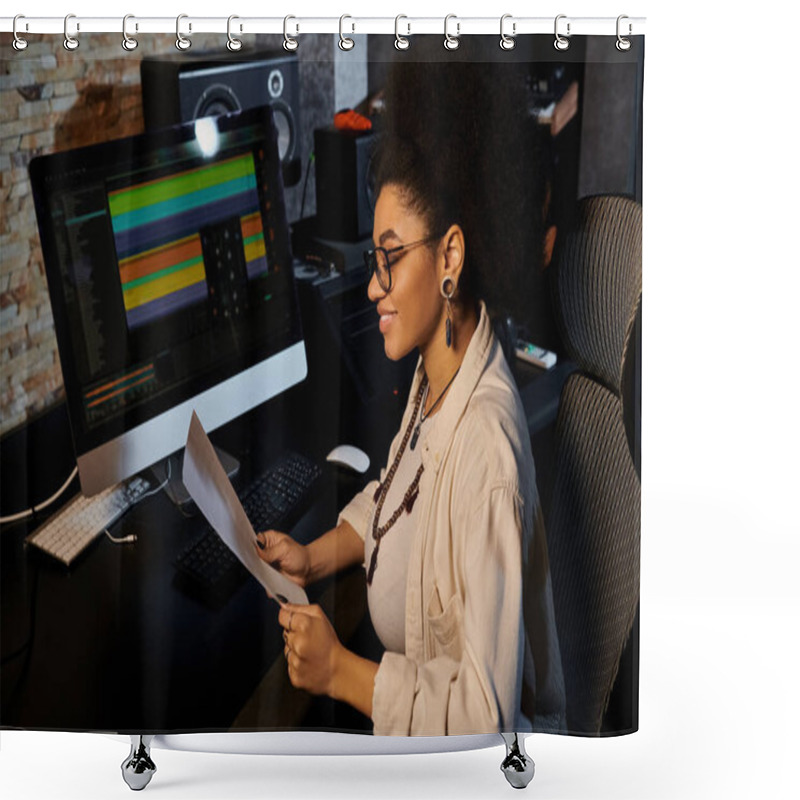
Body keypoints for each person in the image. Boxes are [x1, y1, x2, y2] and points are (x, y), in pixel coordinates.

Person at [254, 61, 566, 736]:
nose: (373, 286)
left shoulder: (486, 452)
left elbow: (488, 721)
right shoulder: (441, 368)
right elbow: (399, 493)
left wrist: (342, 673)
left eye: (390, 256)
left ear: (450, 256)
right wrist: (315, 553)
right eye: (374, 259)